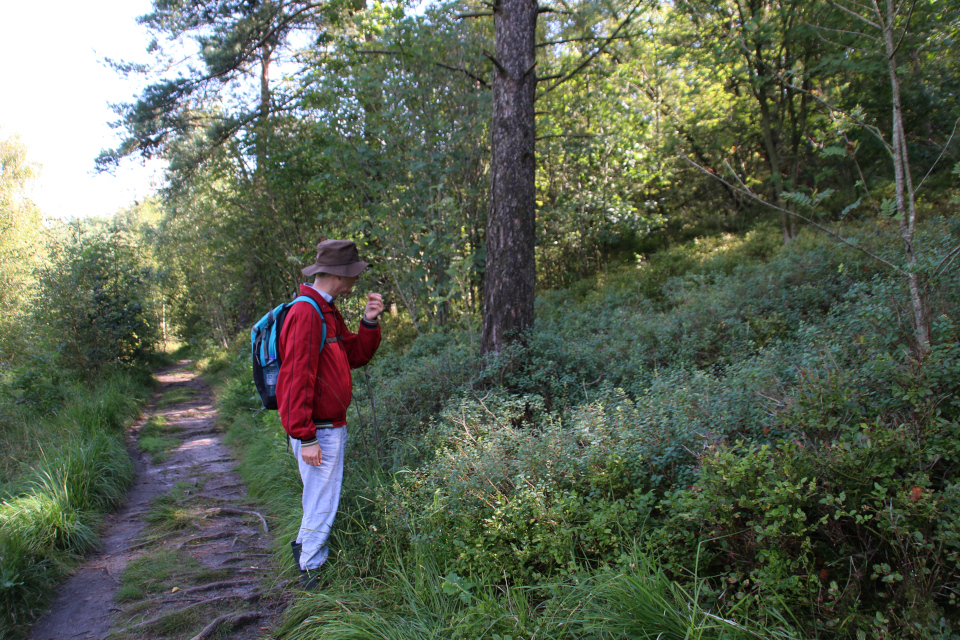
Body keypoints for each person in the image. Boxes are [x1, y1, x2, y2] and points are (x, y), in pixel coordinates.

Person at [276, 239, 383, 588]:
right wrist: (305, 436)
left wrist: (368, 322)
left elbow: (353, 356)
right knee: (323, 501)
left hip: (324, 428)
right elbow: (296, 378)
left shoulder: (326, 309)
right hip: (317, 431)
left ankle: (307, 558)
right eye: (353, 275)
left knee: (319, 499)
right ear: (340, 275)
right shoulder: (307, 311)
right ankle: (312, 576)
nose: (355, 282)